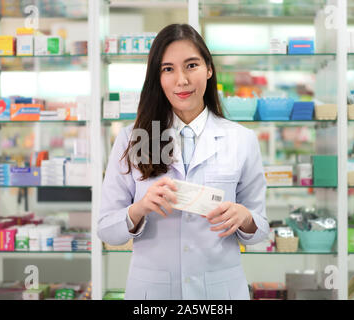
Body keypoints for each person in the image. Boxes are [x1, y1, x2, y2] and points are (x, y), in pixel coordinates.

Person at [98, 24, 269, 300]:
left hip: (218, 293)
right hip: (153, 293)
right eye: (168, 69)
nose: (182, 80)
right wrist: (139, 208)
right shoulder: (133, 139)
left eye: (191, 65)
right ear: (157, 77)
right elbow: (107, 229)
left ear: (209, 69)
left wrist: (245, 217)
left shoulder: (242, 139)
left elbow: (260, 227)